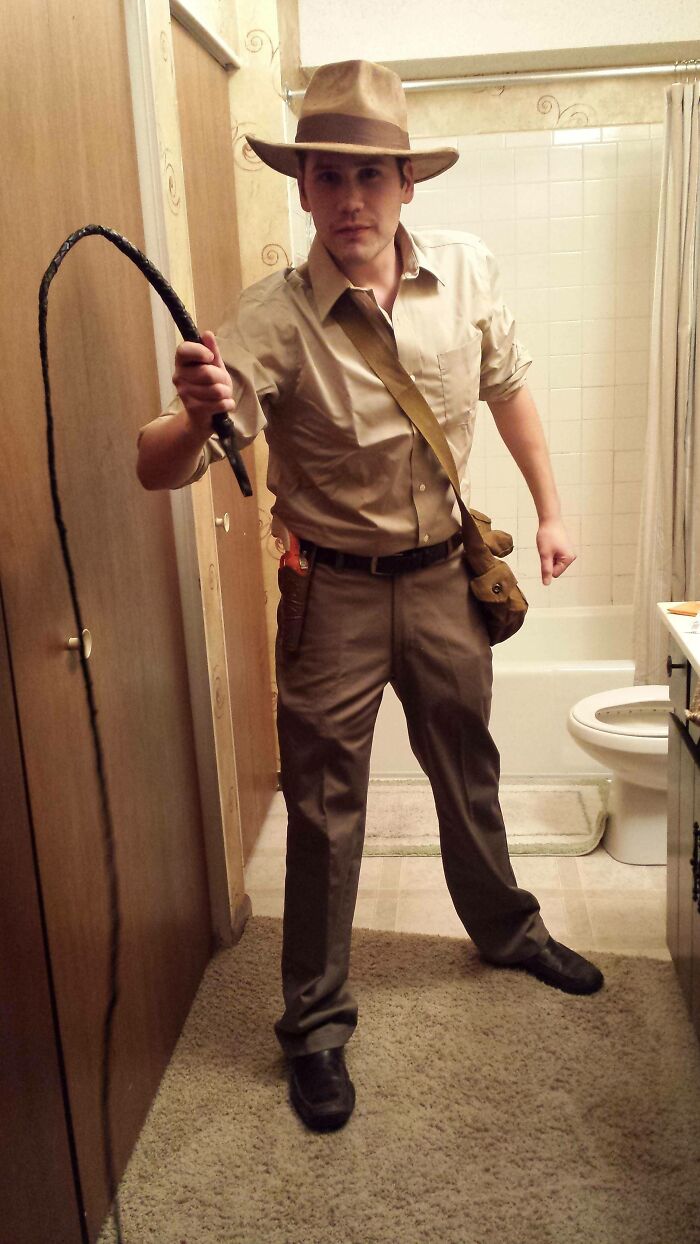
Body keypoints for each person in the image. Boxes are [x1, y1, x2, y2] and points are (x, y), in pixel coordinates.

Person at [137, 59, 604, 1134]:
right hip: (332, 595)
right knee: (322, 807)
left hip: (444, 578)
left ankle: (507, 929)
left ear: (406, 184)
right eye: (329, 176)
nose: (351, 198)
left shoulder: (467, 272)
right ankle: (313, 1023)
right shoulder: (266, 320)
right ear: (302, 187)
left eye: (370, 176)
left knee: (468, 768)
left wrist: (552, 509)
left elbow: (510, 389)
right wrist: (193, 409)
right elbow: (159, 467)